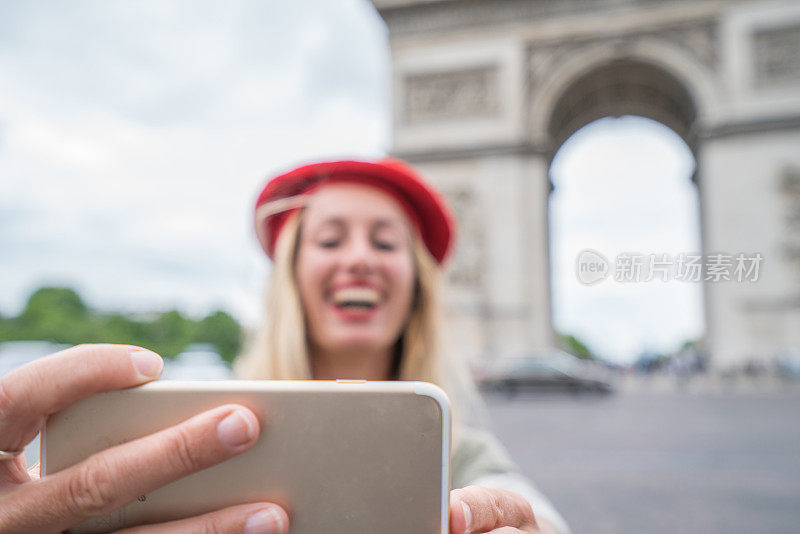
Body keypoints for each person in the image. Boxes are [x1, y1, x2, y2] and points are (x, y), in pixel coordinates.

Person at [0, 158, 570, 534]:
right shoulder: (188, 427)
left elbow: (529, 507)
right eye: (329, 238)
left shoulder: (461, 454)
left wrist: (527, 524)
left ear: (419, 286)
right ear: (289, 279)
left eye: (385, 241)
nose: (360, 259)